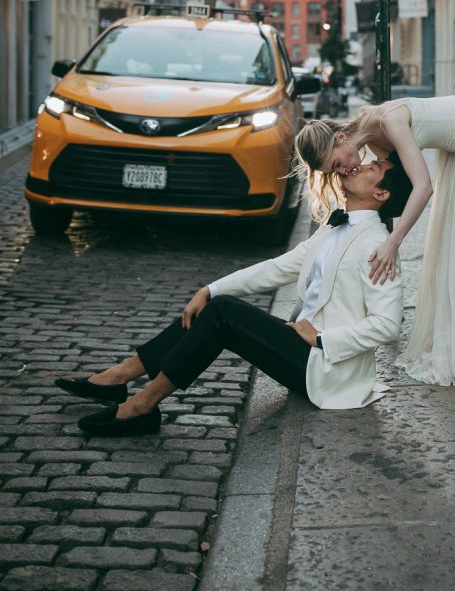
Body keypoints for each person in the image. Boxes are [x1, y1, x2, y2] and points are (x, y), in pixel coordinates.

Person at [54, 154, 413, 437]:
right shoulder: (332, 229)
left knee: (223, 314)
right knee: (216, 303)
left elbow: (387, 325)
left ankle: (141, 406)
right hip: (301, 347)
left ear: (381, 193)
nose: (361, 165)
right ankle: (120, 377)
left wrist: (322, 338)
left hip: (325, 368)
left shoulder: (377, 246)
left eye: (374, 167)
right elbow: (277, 268)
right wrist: (209, 288)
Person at [294, 94, 455, 393]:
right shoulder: (372, 143)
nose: (343, 172)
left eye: (337, 164)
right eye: (335, 171)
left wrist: (393, 242)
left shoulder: (388, 121)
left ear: (341, 138)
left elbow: (424, 186)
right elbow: (391, 191)